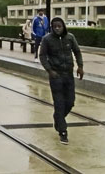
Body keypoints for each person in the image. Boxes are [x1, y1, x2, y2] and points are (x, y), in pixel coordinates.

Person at [39, 17, 84, 145]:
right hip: (56, 76)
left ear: (63, 26)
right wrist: (49, 70)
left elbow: (77, 51)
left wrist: (80, 66)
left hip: (68, 74)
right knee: (59, 103)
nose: (57, 28)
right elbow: (42, 56)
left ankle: (58, 119)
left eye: (59, 26)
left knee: (70, 102)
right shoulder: (47, 39)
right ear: (52, 27)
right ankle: (63, 131)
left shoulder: (70, 37)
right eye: (55, 26)